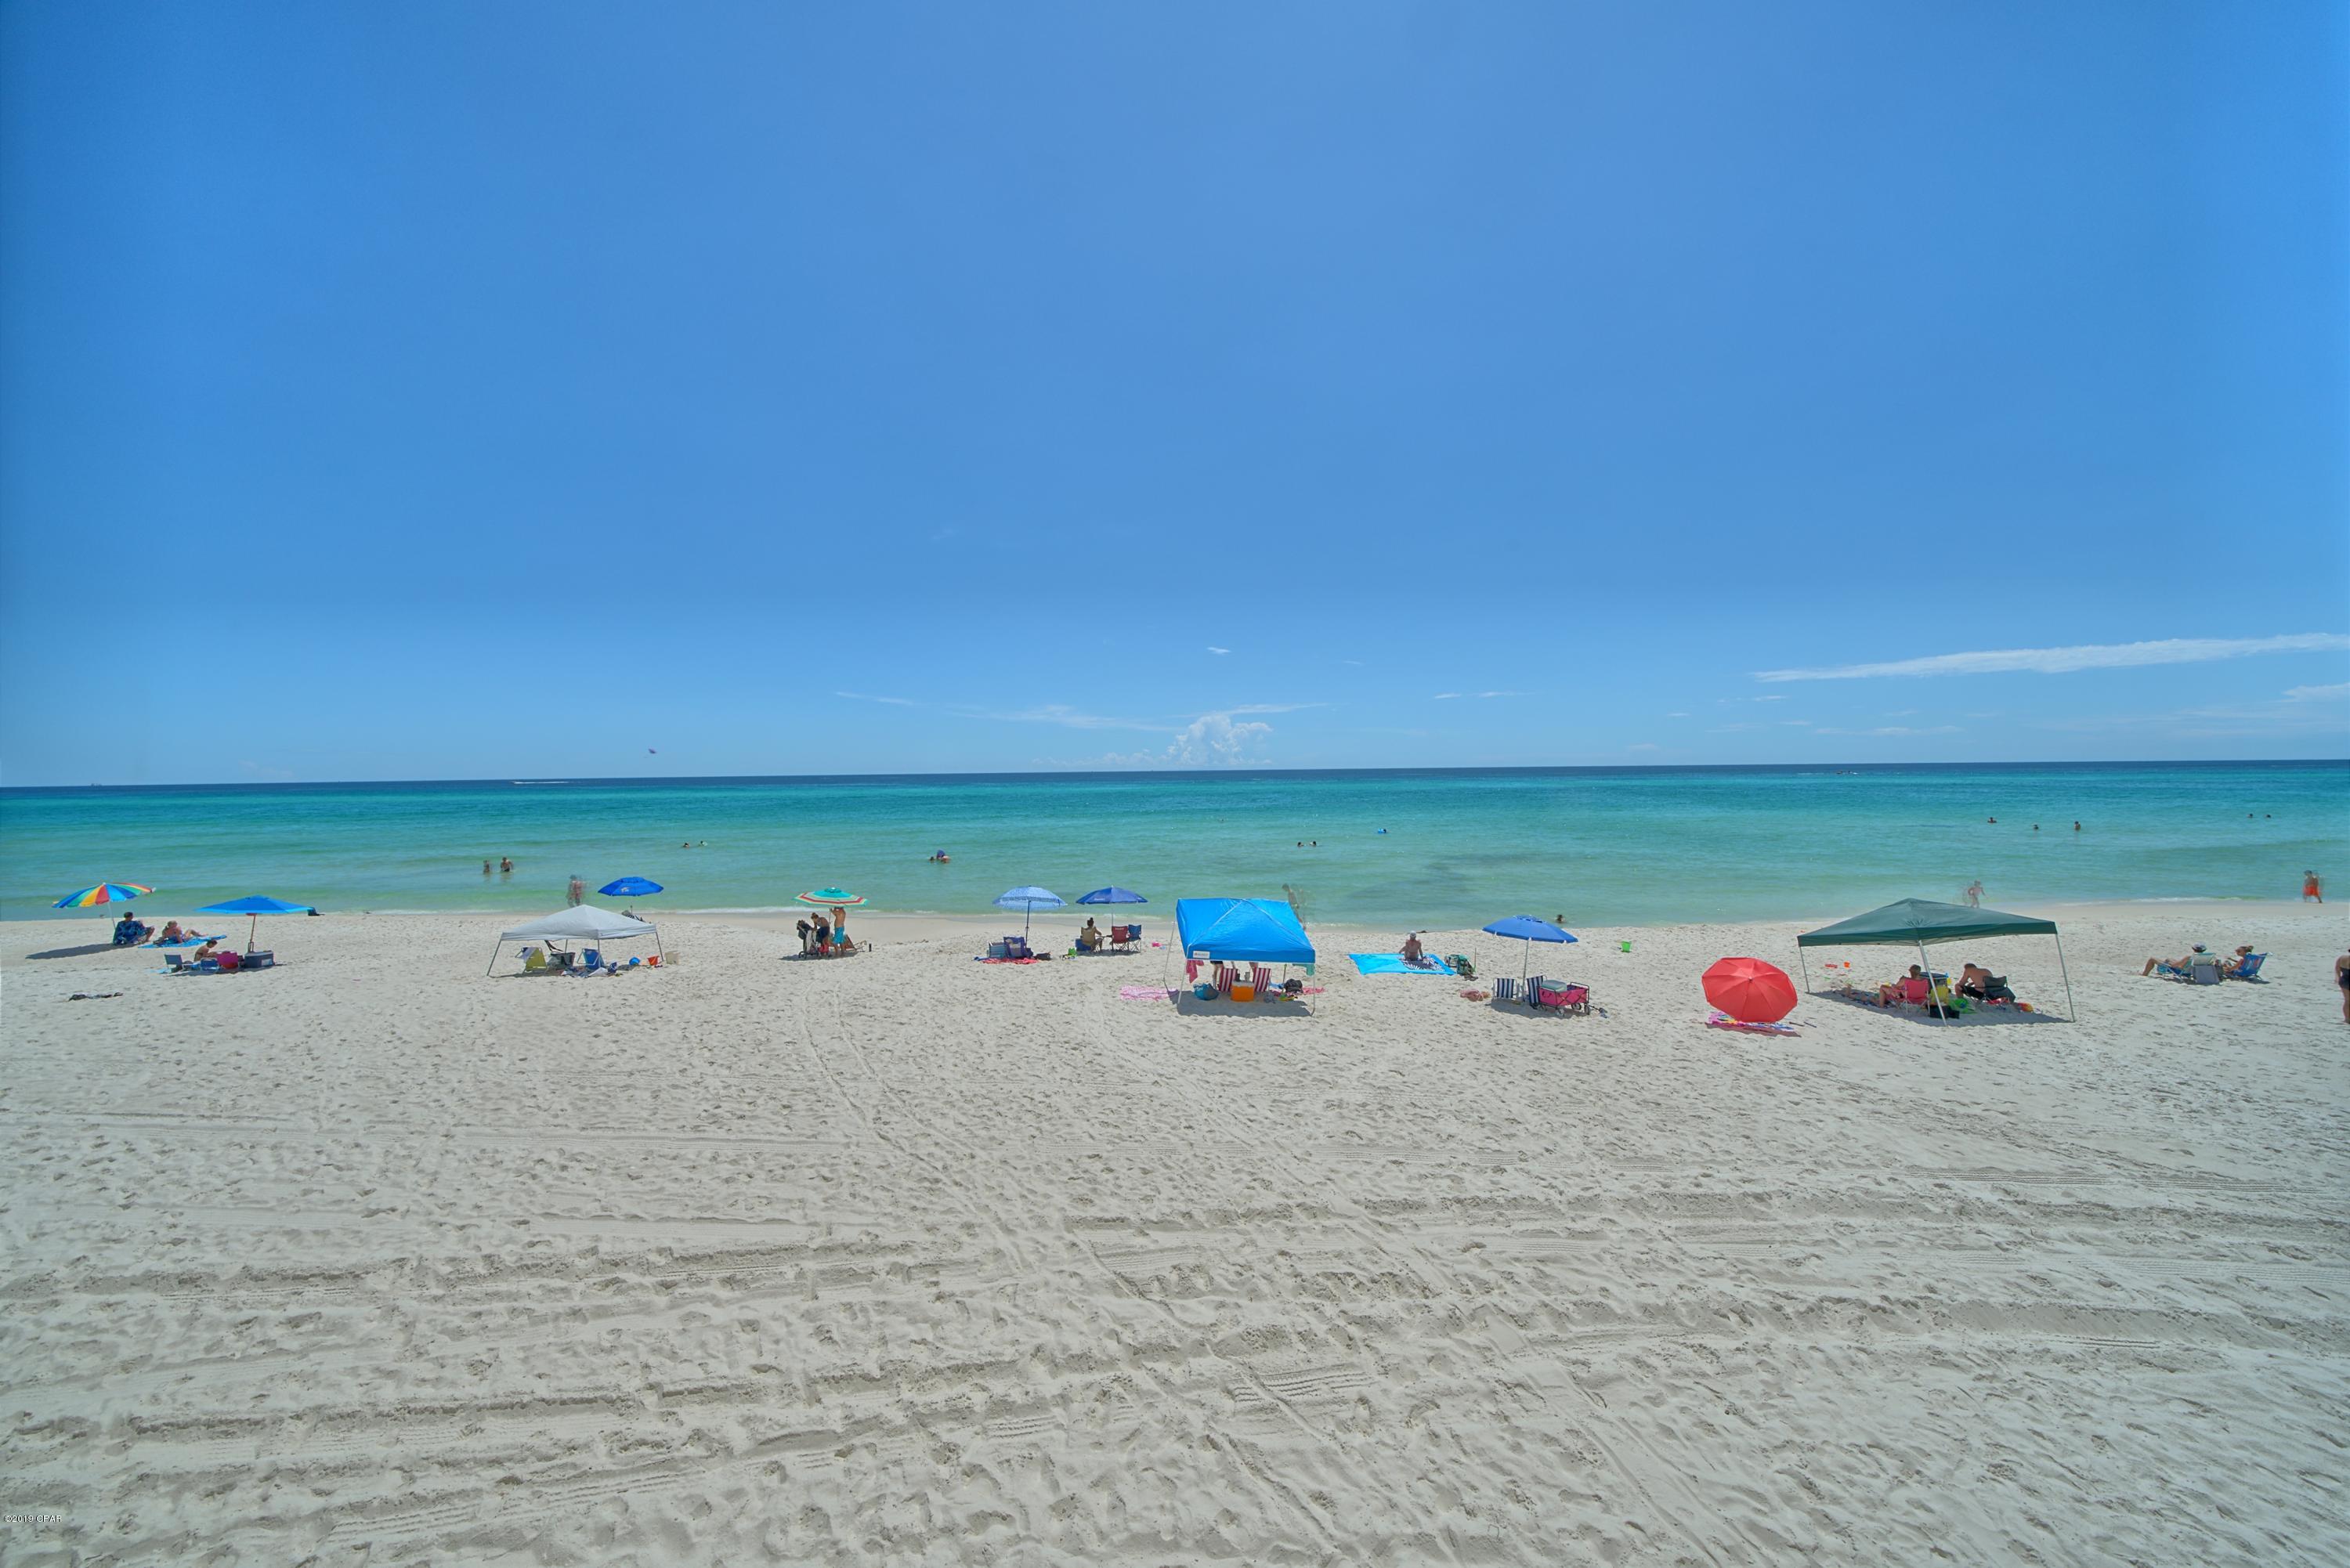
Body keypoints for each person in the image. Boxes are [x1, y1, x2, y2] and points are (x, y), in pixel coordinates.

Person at [2142, 944, 2209, 977]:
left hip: (2179, 971)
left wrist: (2170, 963)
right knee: (2169, 959)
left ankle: (2144, 974)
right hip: (2190, 972)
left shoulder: (2189, 957)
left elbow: (2175, 966)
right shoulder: (2205, 957)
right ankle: (2160, 972)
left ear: (2193, 949)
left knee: (2152, 959)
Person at [2337, 947, 2350, 1025]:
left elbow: (2337, 969)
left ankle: (2347, 1019)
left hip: (2344, 980)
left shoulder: (2342, 958)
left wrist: (2338, 979)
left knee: (2347, 1001)